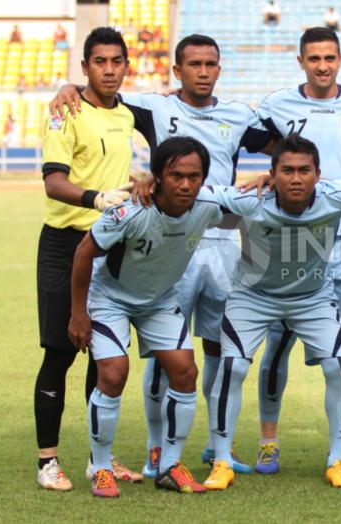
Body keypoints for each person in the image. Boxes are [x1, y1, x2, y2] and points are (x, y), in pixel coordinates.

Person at [48, 33, 275, 479]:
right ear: (178, 70)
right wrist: (68, 88)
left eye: (211, 64)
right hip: (165, 234)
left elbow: (283, 149)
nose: (203, 72)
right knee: (162, 350)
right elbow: (101, 92)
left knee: (217, 347)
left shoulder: (238, 115)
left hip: (219, 234)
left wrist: (272, 170)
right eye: (194, 64)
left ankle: (216, 447)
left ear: (219, 69)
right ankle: (157, 451)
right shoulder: (154, 107)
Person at [202, 135, 341, 490]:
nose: (296, 178)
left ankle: (338, 459)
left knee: (340, 365)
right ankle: (222, 460)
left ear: (318, 174)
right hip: (252, 296)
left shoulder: (336, 195)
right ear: (271, 174)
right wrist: (153, 180)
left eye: (304, 170)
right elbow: (194, 191)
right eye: (286, 170)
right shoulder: (250, 199)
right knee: (233, 366)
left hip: (312, 298)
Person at [251, 27, 341, 477]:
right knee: (278, 344)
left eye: (330, 57)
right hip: (289, 243)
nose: (323, 65)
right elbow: (243, 137)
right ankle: (268, 442)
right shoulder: (276, 104)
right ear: (301, 61)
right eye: (314, 58)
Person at [70, 137, 223, 497]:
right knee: (113, 373)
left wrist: (265, 178)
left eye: (194, 176)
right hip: (111, 298)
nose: (186, 185)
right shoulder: (131, 211)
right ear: (158, 177)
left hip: (158, 299)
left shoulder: (208, 206)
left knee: (185, 372)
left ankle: (168, 465)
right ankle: (102, 468)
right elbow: (82, 253)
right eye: (176, 176)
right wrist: (78, 313)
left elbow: (250, 202)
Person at [34, 27, 139, 492]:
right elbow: (53, 183)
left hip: (110, 244)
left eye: (117, 61)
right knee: (60, 352)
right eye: (100, 61)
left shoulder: (128, 116)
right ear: (85, 68)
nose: (110, 69)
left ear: (127, 66)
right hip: (65, 242)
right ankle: (48, 461)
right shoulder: (66, 111)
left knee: (105, 355)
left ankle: (99, 457)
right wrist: (97, 198)